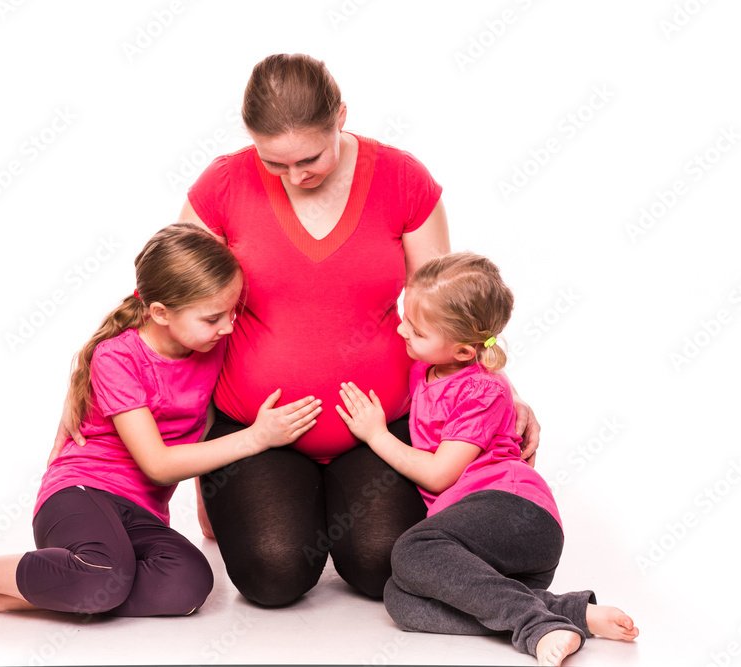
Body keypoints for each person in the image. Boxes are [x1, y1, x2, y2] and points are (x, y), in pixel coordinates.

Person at [57, 53, 540, 607]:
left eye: (309, 158)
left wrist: (503, 393)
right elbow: (170, 295)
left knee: (384, 566)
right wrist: (87, 395)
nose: (295, 177)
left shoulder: (402, 179)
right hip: (254, 427)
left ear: (339, 117)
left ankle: (328, 504)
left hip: (381, 425)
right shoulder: (223, 184)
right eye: (274, 162)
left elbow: (451, 309)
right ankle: (230, 497)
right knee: (273, 575)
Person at [0, 223, 322, 623]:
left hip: (139, 513)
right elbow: (158, 465)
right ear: (160, 312)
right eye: (213, 317)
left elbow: (204, 426)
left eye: (233, 310)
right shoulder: (118, 357)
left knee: (189, 585)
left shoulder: (210, 347)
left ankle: (5, 599)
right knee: (105, 574)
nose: (228, 325)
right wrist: (259, 437)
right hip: (81, 493)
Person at [336, 252, 638, 666]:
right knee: (400, 598)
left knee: (412, 550)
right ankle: (568, 611)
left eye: (417, 330)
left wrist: (375, 434)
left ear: (463, 351)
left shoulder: (481, 391)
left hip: (515, 513)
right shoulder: (427, 367)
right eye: (406, 316)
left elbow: (440, 475)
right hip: (483, 548)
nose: (403, 329)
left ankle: (536, 626)